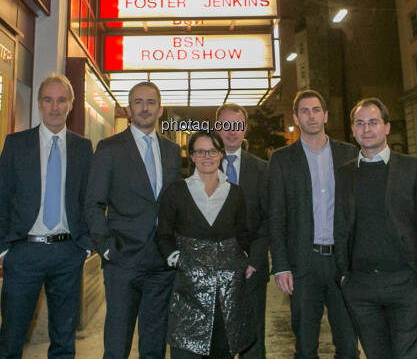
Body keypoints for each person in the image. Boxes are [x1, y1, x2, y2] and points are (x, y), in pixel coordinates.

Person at [85, 81, 182, 359]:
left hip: (162, 265)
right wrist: (105, 247)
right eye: (138, 102)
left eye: (151, 102)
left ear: (160, 109)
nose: (144, 108)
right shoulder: (109, 148)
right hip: (123, 262)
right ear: (129, 109)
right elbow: (93, 203)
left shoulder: (172, 151)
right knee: (117, 346)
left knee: (153, 347)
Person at [0, 73, 93, 358]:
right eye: (49, 100)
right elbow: (2, 195)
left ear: (71, 105)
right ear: (40, 104)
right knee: (11, 336)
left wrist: (85, 245)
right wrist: (4, 248)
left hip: (68, 252)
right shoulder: (16, 144)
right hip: (23, 251)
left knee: (64, 340)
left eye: (62, 100)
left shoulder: (83, 147)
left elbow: (89, 199)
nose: (55, 107)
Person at [268, 89, 359, 359]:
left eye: (316, 109)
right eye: (305, 111)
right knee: (305, 348)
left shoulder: (349, 154)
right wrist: (281, 265)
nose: (311, 115)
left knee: (349, 347)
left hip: (341, 263)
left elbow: (357, 211)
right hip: (303, 265)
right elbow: (276, 215)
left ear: (326, 115)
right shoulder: (282, 159)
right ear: (296, 117)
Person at [157, 130, 254, 359]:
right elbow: (163, 235)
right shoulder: (176, 192)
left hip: (226, 298)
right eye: (200, 151)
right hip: (188, 293)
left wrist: (242, 265)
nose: (206, 156)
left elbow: (243, 234)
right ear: (191, 156)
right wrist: (180, 261)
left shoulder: (236, 194)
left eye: (211, 151)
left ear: (221, 154)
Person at [335, 97, 417, 359]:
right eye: (360, 123)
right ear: (353, 129)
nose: (366, 129)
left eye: (373, 122)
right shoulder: (343, 175)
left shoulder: (411, 169)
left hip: (406, 283)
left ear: (387, 127)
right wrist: (345, 275)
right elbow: (339, 224)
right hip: (361, 287)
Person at [216, 103, 269, 359]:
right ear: (217, 129)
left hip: (252, 272)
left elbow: (268, 220)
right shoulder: (203, 166)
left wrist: (255, 260)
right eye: (226, 125)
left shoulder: (262, 169)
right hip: (215, 273)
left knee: (253, 344)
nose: (232, 131)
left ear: (245, 128)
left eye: (237, 125)